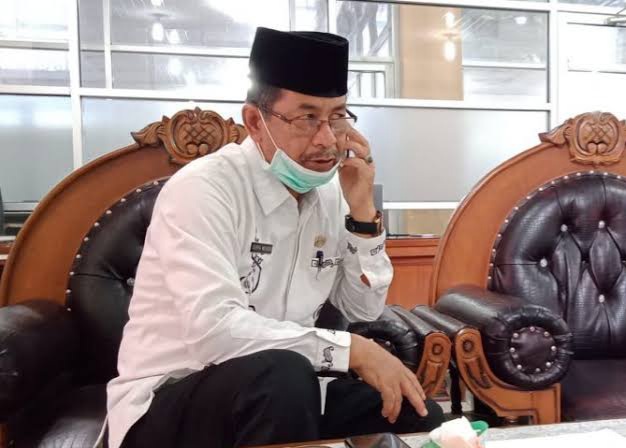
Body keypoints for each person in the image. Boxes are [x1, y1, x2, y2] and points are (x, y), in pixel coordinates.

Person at [103, 27, 444, 448]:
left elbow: (364, 308)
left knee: (415, 410)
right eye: (307, 118)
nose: (327, 139)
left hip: (288, 391)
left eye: (337, 117)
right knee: (281, 375)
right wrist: (350, 350)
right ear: (255, 122)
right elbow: (216, 333)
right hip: (169, 400)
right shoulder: (205, 189)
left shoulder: (331, 193)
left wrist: (362, 213)